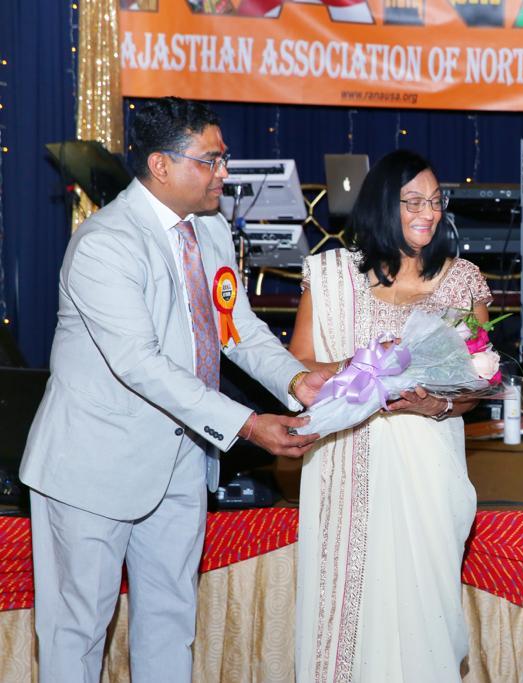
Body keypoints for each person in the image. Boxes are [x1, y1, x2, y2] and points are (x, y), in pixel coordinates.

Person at [19, 96, 328, 683]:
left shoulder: (209, 230)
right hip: (91, 471)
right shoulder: (105, 243)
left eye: (224, 158)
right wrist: (246, 424)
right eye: (210, 161)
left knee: (169, 628)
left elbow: (235, 329)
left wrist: (294, 378)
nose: (224, 173)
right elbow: (140, 364)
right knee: (76, 637)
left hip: (182, 464)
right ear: (161, 165)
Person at [289, 149, 491, 682]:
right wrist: (369, 364)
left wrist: (436, 404)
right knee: (350, 596)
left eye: (435, 200)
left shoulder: (462, 280)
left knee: (424, 598)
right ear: (383, 203)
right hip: (347, 458)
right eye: (412, 202)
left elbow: (475, 384)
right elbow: (299, 366)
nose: (428, 212)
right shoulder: (333, 275)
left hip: (429, 462)